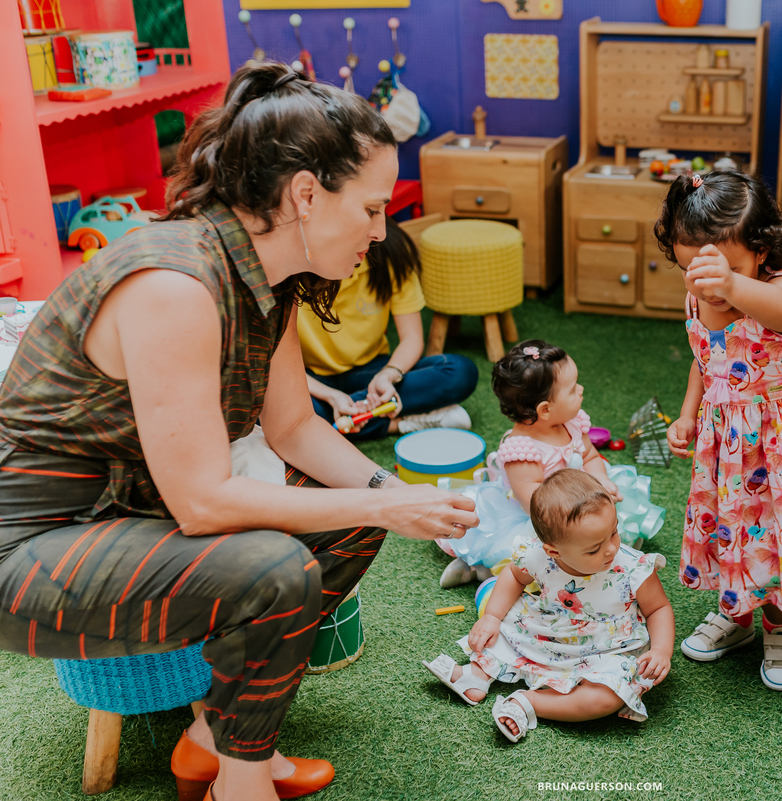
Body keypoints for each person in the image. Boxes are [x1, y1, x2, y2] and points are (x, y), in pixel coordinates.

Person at [0, 62, 477, 801]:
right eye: (373, 208)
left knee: (352, 521)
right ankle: (241, 781)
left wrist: (403, 497)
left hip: (126, 512)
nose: (382, 231)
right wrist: (383, 502)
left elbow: (293, 429)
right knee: (276, 566)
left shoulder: (271, 279)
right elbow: (203, 503)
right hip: (32, 545)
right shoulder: (176, 283)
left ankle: (209, 743)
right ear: (307, 194)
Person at [658, 171, 782, 692]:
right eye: (689, 270)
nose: (703, 283)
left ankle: (779, 623)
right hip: (729, 448)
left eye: (721, 269)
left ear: (762, 252)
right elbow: (706, 359)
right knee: (735, 530)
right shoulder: (703, 296)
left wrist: (729, 284)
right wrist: (687, 414)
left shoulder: (779, 292)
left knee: (775, 535)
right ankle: (739, 615)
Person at [422, 469, 675, 742]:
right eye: (594, 549)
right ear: (553, 551)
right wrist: (492, 617)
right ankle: (476, 675)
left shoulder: (632, 567)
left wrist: (661, 650)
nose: (611, 549)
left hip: (610, 648)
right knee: (503, 631)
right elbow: (512, 576)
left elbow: (658, 608)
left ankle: (529, 703)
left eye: (613, 533)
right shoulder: (539, 556)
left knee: (607, 697)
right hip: (545, 629)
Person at [436, 340, 665, 588]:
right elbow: (534, 503)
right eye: (572, 388)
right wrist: (574, 518)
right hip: (544, 516)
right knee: (529, 554)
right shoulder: (522, 450)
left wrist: (602, 481)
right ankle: (479, 568)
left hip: (582, 496)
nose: (581, 389)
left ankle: (617, 550)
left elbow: (589, 457)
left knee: (608, 519)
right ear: (545, 410)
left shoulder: (572, 422)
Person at [298, 217, 477, 440]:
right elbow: (277, 366)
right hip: (309, 379)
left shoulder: (389, 251)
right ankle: (397, 423)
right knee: (265, 408)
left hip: (373, 372)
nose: (380, 231)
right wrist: (332, 397)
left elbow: (412, 338)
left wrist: (388, 375)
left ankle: (337, 422)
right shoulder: (295, 266)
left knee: (459, 370)